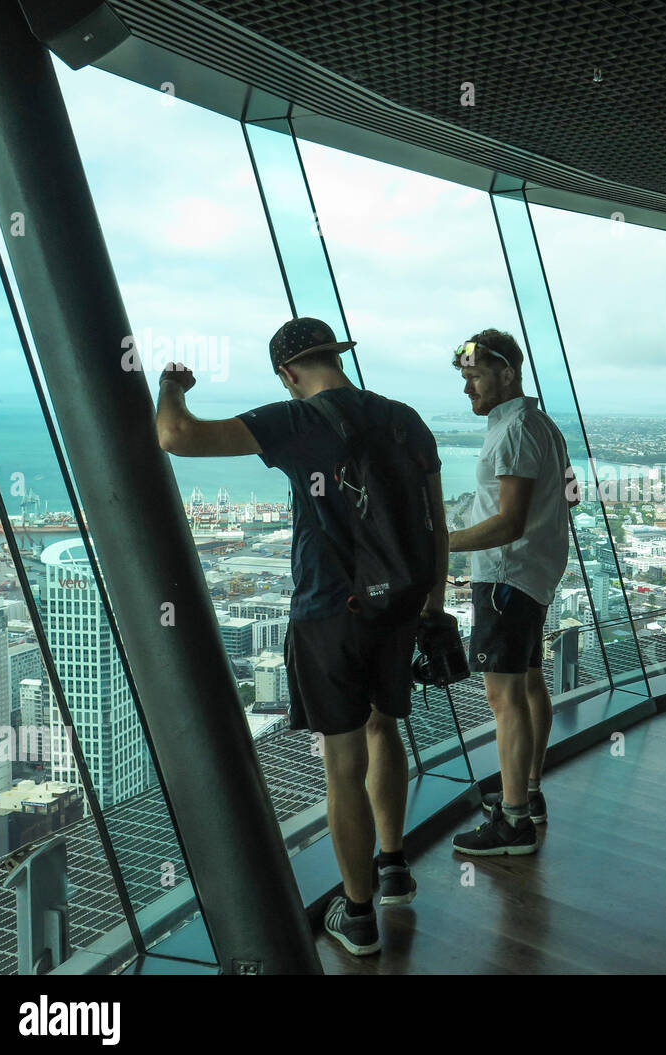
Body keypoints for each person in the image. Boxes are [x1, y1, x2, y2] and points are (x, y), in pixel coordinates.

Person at [155, 317, 448, 957]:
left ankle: (360, 914)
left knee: (343, 761)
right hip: (399, 606)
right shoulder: (406, 419)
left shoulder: (296, 422)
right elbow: (435, 523)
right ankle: (394, 866)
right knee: (386, 728)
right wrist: (432, 605)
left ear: (289, 374)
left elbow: (175, 437)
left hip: (327, 610)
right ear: (334, 359)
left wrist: (171, 386)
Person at [447, 329, 575, 856]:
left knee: (503, 698)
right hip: (530, 575)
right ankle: (530, 792)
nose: (467, 388)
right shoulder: (537, 424)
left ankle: (513, 821)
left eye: (474, 376)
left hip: (505, 577)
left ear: (507, 373)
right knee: (528, 683)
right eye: (464, 378)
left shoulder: (516, 429)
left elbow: (508, 522)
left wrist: (440, 543)